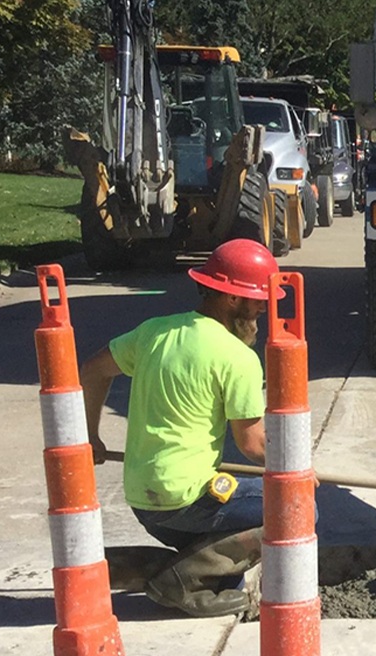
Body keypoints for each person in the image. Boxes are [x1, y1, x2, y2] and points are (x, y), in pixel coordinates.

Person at [81, 238, 277, 617]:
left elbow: (90, 372)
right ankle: (181, 581)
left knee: (227, 518)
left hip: (142, 498)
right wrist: (298, 471)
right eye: (257, 299)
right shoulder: (238, 357)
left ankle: (135, 567)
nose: (263, 308)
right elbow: (253, 444)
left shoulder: (155, 332)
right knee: (298, 510)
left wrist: (89, 435)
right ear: (231, 298)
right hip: (183, 501)